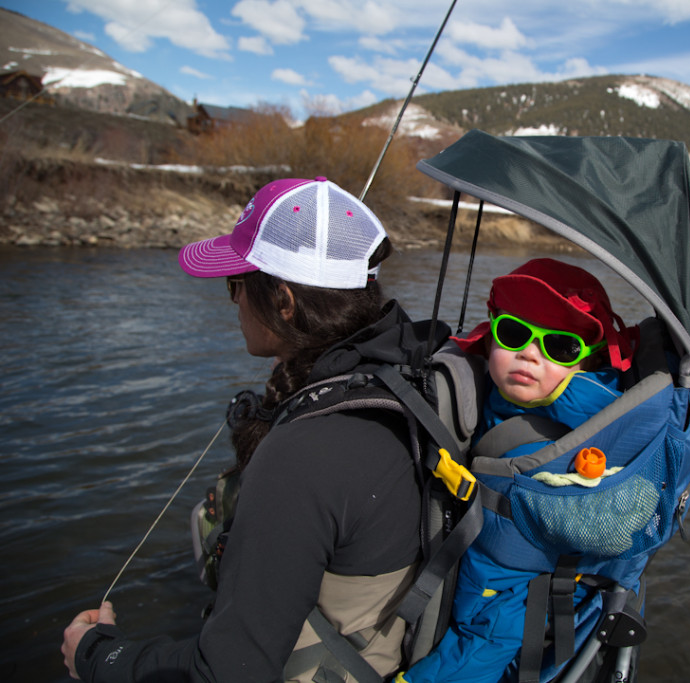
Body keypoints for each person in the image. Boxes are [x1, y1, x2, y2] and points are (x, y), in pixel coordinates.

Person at [62, 177, 429, 682]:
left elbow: (227, 673)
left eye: (235, 284)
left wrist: (97, 655)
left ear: (283, 300)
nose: (233, 301)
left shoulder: (305, 453)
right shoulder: (408, 373)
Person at [397, 257, 637, 683]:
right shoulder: (516, 387)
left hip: (517, 581)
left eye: (560, 346)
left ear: (587, 363)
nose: (529, 353)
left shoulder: (575, 426)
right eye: (514, 332)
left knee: (485, 629)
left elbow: (491, 629)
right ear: (490, 334)